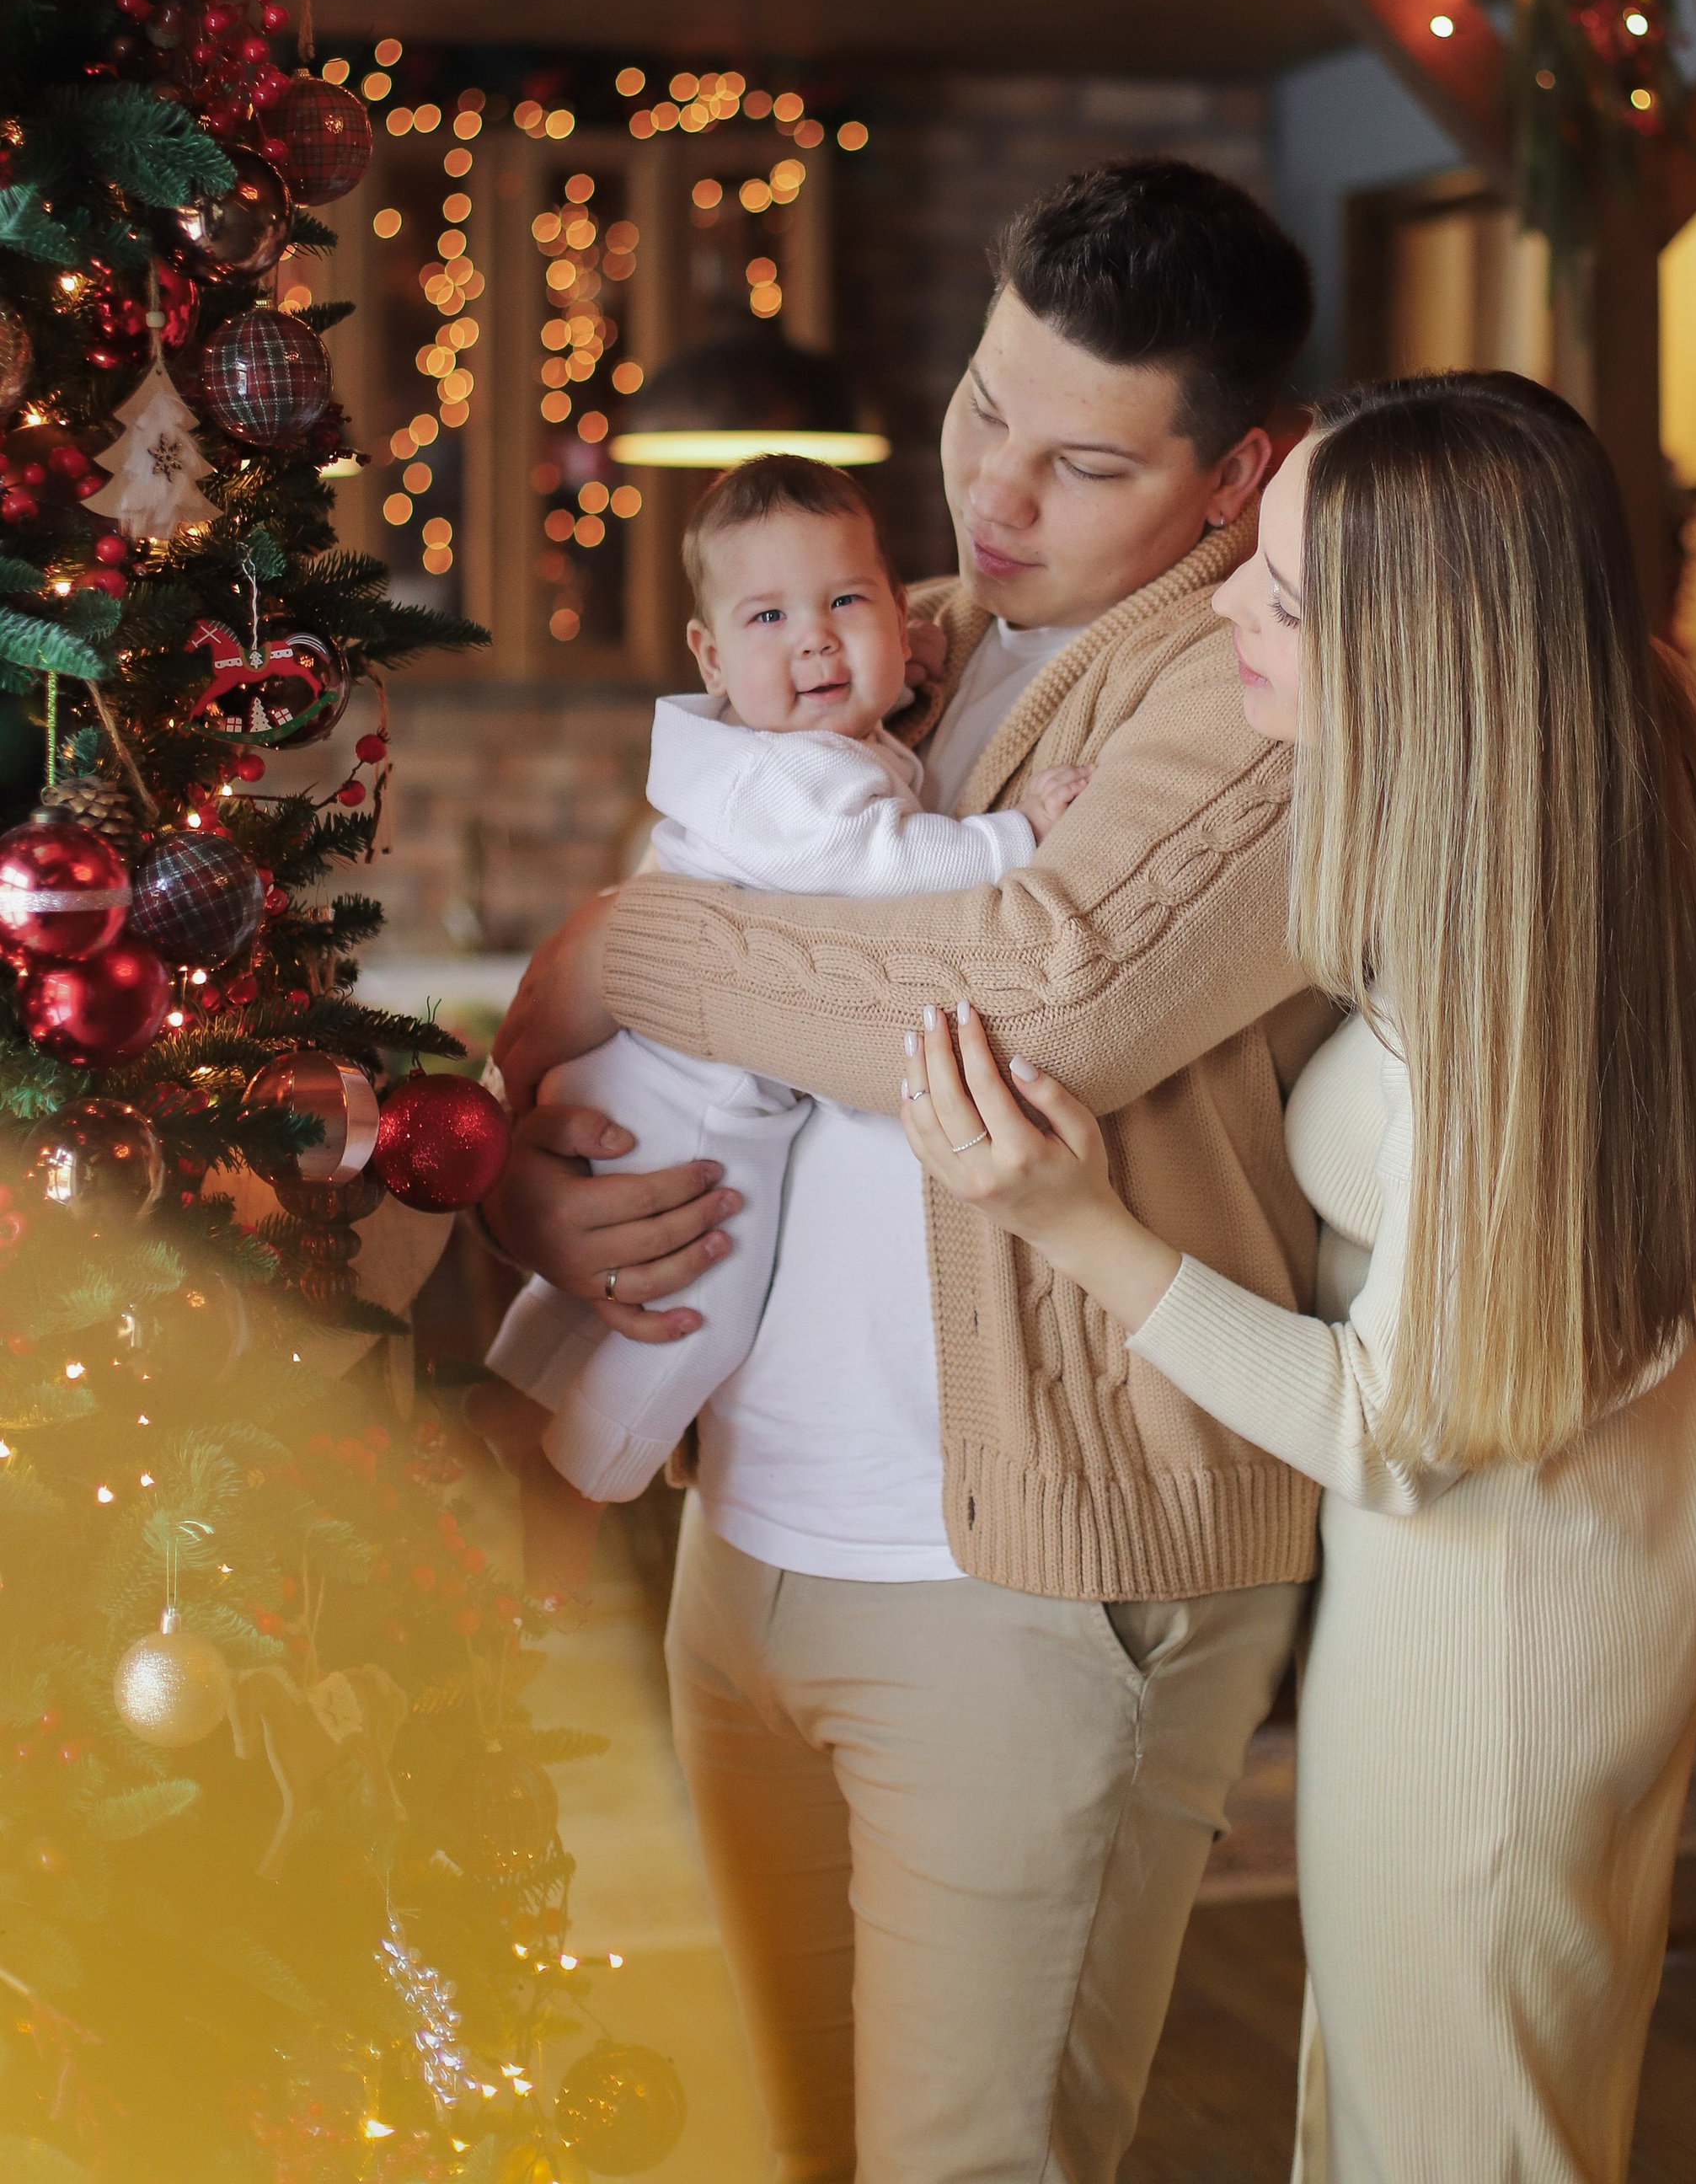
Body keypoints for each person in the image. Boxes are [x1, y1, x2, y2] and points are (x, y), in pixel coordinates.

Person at [484, 158, 1333, 2184]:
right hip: (750, 1538)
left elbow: (1033, 1001)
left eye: (1082, 464)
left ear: (1235, 477)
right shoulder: (903, 635)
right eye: (978, 408)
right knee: (795, 2137)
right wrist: (534, 1180)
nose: (992, 499)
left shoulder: (1262, 694)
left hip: (1026, 1583)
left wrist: (624, 943)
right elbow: (686, 1005)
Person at [903, 372, 1696, 2184]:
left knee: (1447, 2137)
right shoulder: (1610, 798)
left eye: (1283, 597)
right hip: (1565, 1601)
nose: (1226, 597)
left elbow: (1395, 1430)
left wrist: (1074, 1224)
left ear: (1420, 664)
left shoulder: (1516, 1009)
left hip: (1484, 1662)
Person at [484, 451, 1088, 1503]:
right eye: (768, 617)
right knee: (694, 1313)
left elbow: (867, 747)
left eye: (846, 602)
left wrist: (902, 668)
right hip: (696, 1091)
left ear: (898, 615)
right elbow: (884, 865)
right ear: (710, 657)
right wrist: (1019, 834)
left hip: (643, 1069)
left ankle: (507, 1404)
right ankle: (576, 1484)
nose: (812, 636)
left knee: (595, 1288)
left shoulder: (782, 745)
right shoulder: (793, 776)